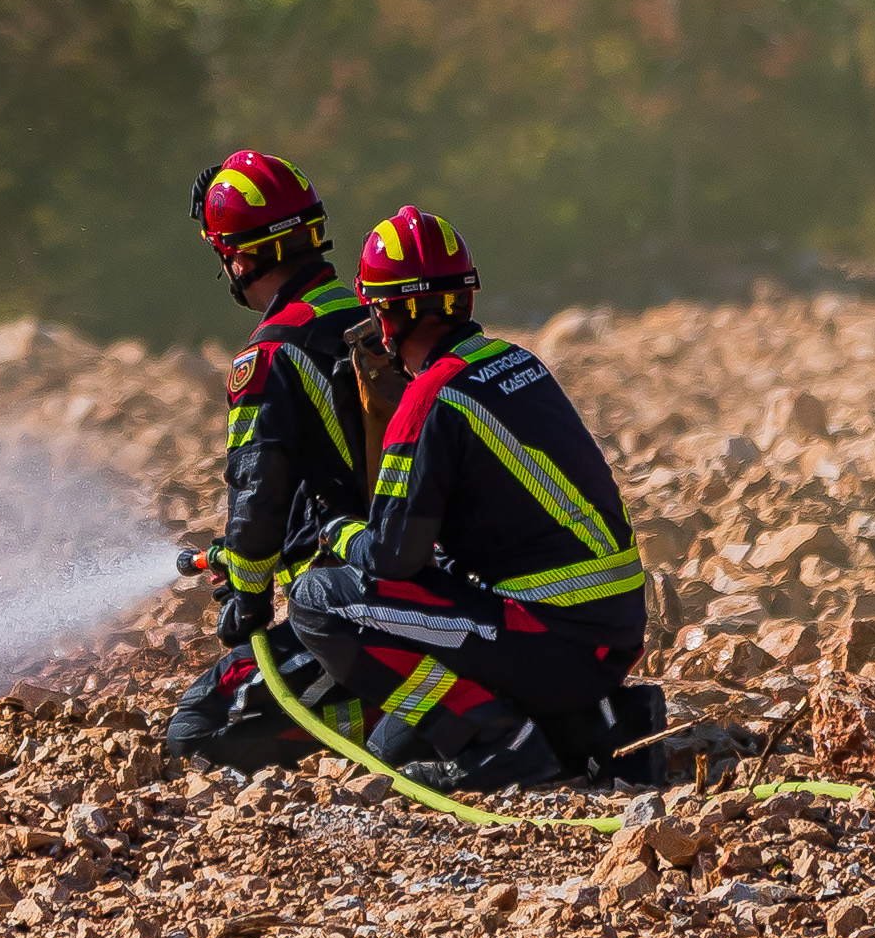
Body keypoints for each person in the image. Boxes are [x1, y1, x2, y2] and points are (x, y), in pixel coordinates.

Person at [285, 206, 663, 791]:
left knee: (318, 601)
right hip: (609, 632)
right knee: (393, 745)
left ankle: (504, 744)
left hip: (556, 641)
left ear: (387, 316)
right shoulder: (516, 362)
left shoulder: (431, 400)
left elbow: (392, 558)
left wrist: (335, 528)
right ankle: (590, 725)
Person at [164, 148, 381, 771]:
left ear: (238, 256)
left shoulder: (269, 354)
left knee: (199, 728)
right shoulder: (371, 319)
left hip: (357, 606)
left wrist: (247, 596)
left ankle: (387, 724)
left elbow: (258, 491)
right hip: (427, 584)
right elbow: (336, 470)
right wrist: (242, 553)